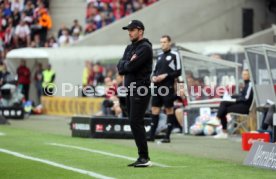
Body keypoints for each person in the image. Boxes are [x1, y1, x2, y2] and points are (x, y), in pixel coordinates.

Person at [117, 20, 153, 167]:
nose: (129, 32)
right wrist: (126, 64)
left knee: (135, 122)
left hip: (140, 88)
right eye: (128, 30)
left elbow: (131, 66)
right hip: (131, 89)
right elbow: (121, 66)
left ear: (140, 31)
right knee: (134, 122)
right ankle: (142, 157)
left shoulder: (145, 48)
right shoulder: (130, 47)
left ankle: (144, 158)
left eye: (132, 30)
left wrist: (126, 64)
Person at [149, 35, 181, 143]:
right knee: (154, 109)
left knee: (169, 110)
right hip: (157, 87)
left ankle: (167, 136)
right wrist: (153, 77)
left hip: (168, 86)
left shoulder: (174, 55)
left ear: (169, 43)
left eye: (164, 42)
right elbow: (154, 71)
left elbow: (178, 72)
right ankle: (151, 135)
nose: (162, 44)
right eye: (161, 42)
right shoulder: (159, 56)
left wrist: (165, 75)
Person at [214, 69, 253, 139]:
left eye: (246, 74)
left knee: (224, 107)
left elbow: (246, 98)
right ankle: (223, 130)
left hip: (245, 107)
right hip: (241, 104)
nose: (244, 76)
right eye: (243, 74)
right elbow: (241, 95)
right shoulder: (246, 84)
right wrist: (231, 96)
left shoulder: (250, 84)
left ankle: (218, 121)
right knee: (224, 105)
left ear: (250, 75)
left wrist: (235, 100)